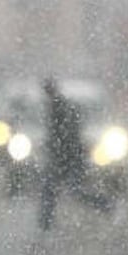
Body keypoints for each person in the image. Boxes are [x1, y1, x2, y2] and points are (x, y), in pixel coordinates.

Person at [39, 77, 89, 230]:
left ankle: (106, 205)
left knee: (70, 190)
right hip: (66, 157)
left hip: (67, 157)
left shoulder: (58, 106)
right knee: (54, 190)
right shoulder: (57, 105)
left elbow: (64, 134)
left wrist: (56, 148)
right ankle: (45, 224)